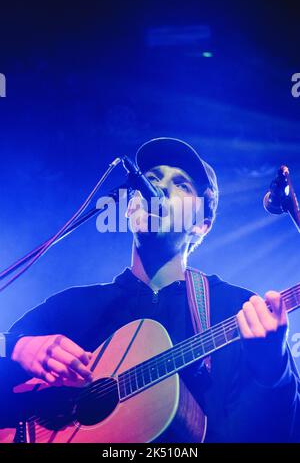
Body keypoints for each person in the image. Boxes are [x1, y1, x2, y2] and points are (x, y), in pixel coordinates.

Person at [0, 137, 299, 443]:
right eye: (152, 178)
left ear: (202, 224)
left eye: (181, 184)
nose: (161, 188)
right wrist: (15, 348)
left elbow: (276, 435)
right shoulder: (72, 306)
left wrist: (274, 370)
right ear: (131, 207)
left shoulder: (238, 307)